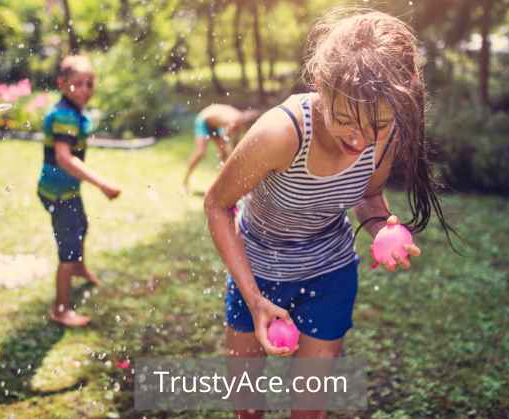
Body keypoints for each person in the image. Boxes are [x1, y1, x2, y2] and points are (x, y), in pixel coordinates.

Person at [203, 8, 454, 418]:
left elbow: (369, 197)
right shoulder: (279, 134)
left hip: (329, 273)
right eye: (344, 122)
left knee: (310, 407)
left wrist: (380, 229)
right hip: (258, 271)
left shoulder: (386, 133)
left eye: (377, 125)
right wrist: (253, 299)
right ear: (320, 85)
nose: (360, 140)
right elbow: (217, 204)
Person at [37, 55, 121, 327]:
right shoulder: (64, 115)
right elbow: (64, 157)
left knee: (81, 226)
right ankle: (60, 309)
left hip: (65, 190)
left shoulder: (71, 110)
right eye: (77, 84)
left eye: (89, 83)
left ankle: (80, 268)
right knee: (68, 247)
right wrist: (102, 184)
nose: (85, 89)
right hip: (58, 193)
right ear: (62, 84)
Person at [182, 104, 259, 193]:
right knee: (201, 152)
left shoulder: (240, 121)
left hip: (215, 125)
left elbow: (235, 143)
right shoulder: (234, 122)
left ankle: (223, 185)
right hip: (204, 121)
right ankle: (185, 181)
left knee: (224, 155)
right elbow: (228, 140)